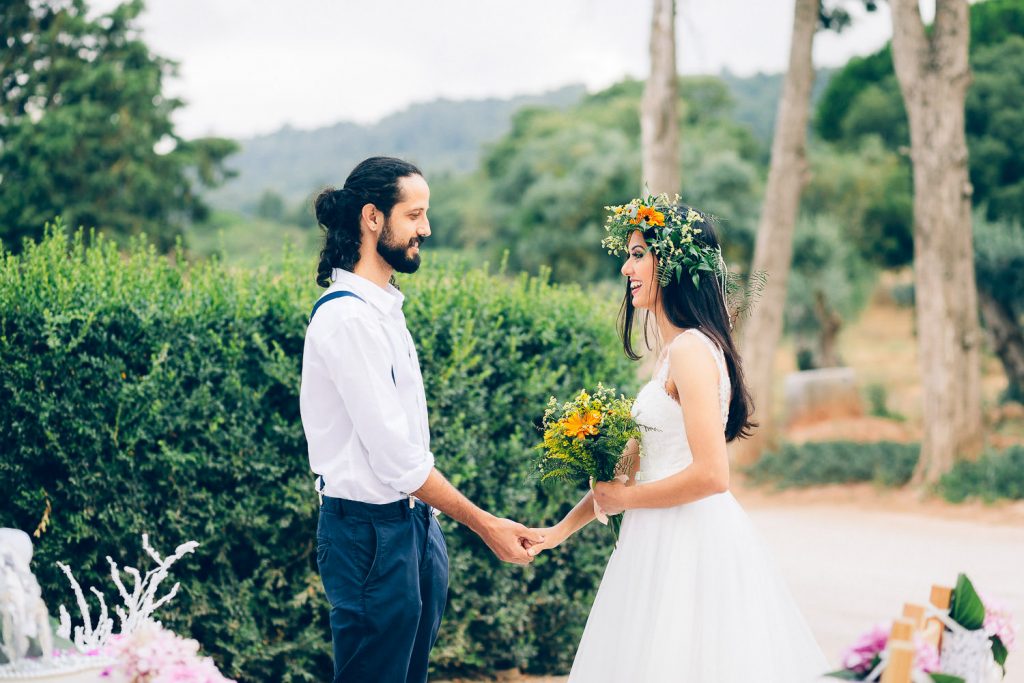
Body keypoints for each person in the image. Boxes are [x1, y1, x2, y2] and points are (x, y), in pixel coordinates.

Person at [526, 197, 828, 682]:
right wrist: (558, 531)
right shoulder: (671, 354)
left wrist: (628, 498)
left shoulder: (690, 350)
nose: (626, 267)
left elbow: (712, 475)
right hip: (657, 537)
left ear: (675, 264)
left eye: (639, 253)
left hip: (689, 543)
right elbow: (627, 472)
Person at [299, 156, 542, 683]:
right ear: (372, 218)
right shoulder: (346, 319)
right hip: (367, 536)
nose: (425, 229)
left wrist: (428, 531)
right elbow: (396, 458)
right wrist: (485, 525)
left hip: (412, 527)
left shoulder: (384, 311)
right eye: (414, 215)